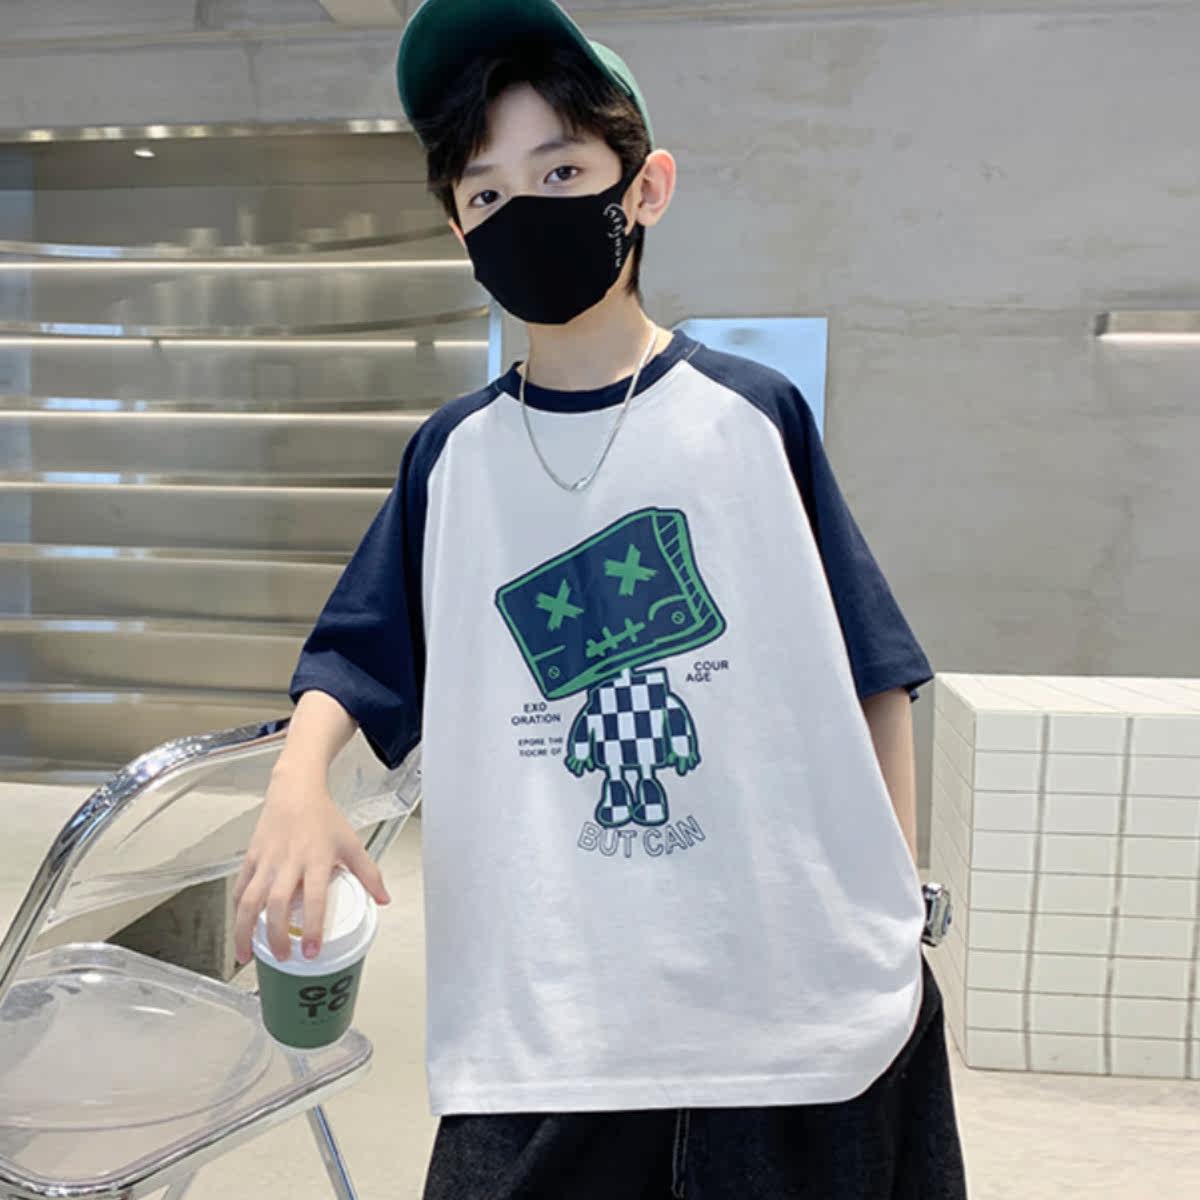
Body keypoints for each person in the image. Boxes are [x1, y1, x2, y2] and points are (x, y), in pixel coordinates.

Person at [233, 0, 969, 1195]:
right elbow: (359, 654)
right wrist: (296, 785)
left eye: (562, 170)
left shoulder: (749, 418)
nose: (522, 208)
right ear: (459, 227)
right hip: (546, 1027)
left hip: (792, 1015)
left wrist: (900, 901)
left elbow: (872, 671)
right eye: (485, 191)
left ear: (646, 188)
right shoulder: (454, 458)